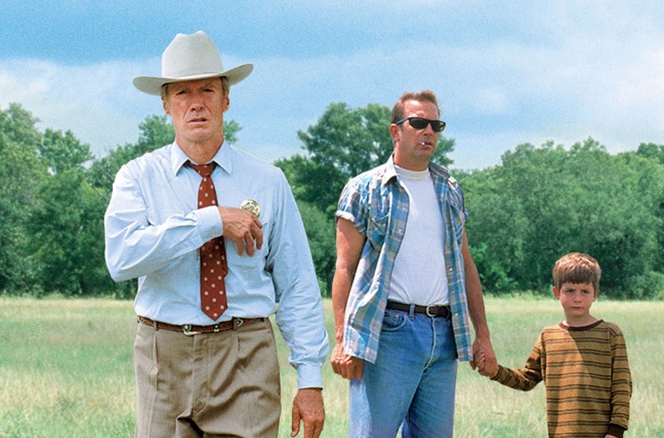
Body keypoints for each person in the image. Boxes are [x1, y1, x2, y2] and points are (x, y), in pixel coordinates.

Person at [104, 31, 328, 438]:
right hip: (163, 354)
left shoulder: (267, 180)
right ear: (166, 105)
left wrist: (310, 378)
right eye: (182, 92)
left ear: (226, 99)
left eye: (207, 89)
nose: (196, 103)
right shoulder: (138, 177)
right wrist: (209, 221)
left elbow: (297, 283)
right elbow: (122, 260)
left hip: (245, 353)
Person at [330, 90, 498, 437]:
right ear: (396, 131)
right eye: (419, 123)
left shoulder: (449, 189)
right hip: (388, 332)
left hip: (443, 333)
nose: (429, 132)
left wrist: (482, 334)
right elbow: (344, 269)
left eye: (436, 125)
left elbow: (466, 264)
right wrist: (343, 339)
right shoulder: (365, 189)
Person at [478, 252, 632, 437]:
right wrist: (495, 372)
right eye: (570, 291)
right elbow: (527, 379)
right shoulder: (548, 336)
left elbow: (622, 386)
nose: (577, 298)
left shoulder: (610, 334)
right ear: (557, 293)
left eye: (585, 291)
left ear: (595, 294)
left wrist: (616, 431)